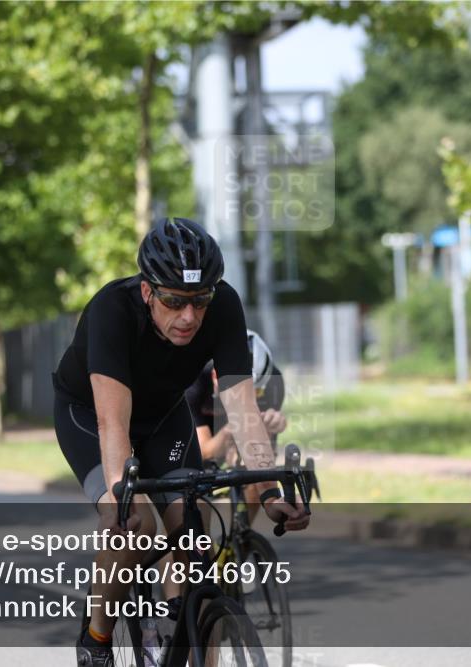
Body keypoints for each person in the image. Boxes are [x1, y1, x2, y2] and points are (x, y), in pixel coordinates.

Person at [52, 217, 309, 666]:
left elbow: (243, 408)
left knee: (194, 547)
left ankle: (188, 633)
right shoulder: (112, 310)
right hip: (90, 415)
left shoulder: (224, 305)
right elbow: (114, 424)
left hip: (164, 417)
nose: (189, 316)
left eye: (199, 300)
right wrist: (119, 499)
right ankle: (96, 639)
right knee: (135, 528)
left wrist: (268, 493)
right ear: (149, 291)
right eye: (174, 301)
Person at [185, 330, 287, 524]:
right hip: (203, 436)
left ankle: (241, 536)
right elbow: (205, 452)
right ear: (216, 377)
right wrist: (232, 429)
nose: (246, 398)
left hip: (233, 429)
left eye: (255, 392)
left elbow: (265, 456)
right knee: (196, 507)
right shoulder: (195, 380)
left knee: (257, 476)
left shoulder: (273, 380)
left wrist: (273, 425)